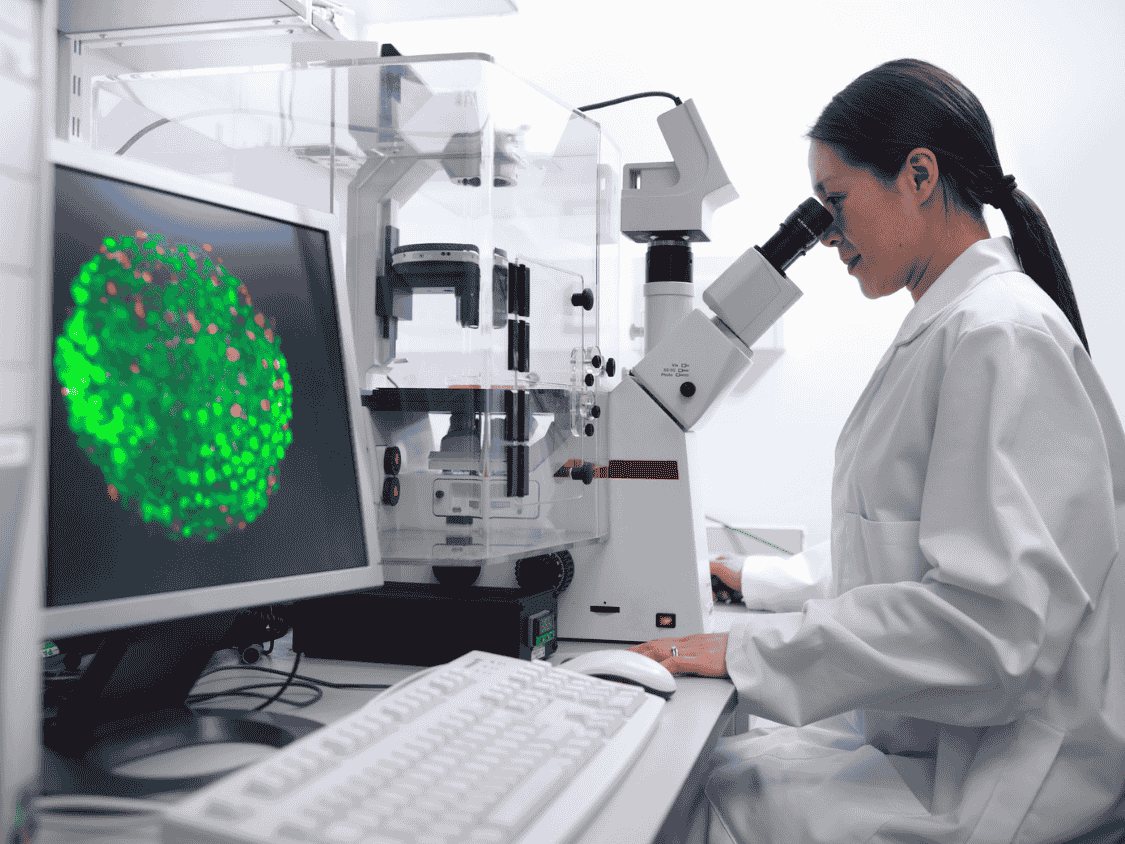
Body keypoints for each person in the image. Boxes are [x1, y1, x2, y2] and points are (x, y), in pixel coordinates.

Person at [630, 58, 1125, 843]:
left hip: (1007, 780)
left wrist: (749, 653)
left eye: (834, 202)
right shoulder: (958, 324)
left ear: (917, 175)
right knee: (714, 769)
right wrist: (755, 581)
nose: (825, 233)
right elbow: (903, 542)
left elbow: (992, 631)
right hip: (944, 747)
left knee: (688, 804)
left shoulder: (998, 334)